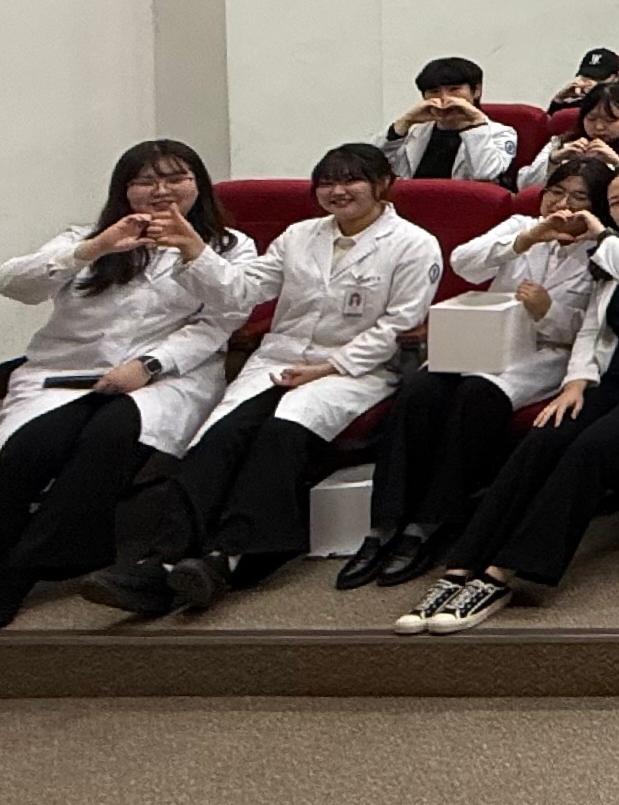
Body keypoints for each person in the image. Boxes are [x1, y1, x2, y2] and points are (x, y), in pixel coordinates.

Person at [81, 144, 440, 618]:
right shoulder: (300, 235)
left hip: (354, 371)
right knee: (218, 439)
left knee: (278, 437)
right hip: (279, 359)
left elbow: (397, 326)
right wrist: (194, 249)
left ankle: (227, 557)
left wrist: (327, 368)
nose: (337, 191)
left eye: (351, 180)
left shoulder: (414, 244)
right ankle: (160, 559)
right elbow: (242, 290)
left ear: (383, 185)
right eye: (327, 183)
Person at [395, 164, 619, 634]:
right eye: (615, 203)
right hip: (614, 376)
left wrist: (603, 234)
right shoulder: (611, 253)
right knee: (544, 437)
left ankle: (503, 572)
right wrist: (575, 382)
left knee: (590, 448)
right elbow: (593, 329)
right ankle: (462, 564)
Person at [0, 141, 253, 625]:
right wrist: (94, 248)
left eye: (175, 178)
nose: (161, 191)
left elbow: (227, 314)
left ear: (198, 184)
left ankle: (22, 569)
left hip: (164, 377)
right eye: (145, 181)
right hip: (64, 373)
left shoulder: (228, 246)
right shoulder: (86, 237)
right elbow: (15, 283)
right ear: (124, 189)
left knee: (107, 438)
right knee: (26, 451)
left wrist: (151, 363)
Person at [344, 158, 614, 590]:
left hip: (543, 354)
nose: (563, 205)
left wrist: (547, 310)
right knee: (419, 390)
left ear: (597, 206)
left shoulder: (604, 250)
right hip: (482, 339)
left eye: (579, 198)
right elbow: (464, 263)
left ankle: (432, 522)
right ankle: (385, 523)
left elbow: (591, 330)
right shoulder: (521, 226)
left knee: (477, 394)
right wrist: (527, 239)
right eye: (556, 193)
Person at [382, 55, 519, 183]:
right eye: (434, 91)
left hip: (463, 200)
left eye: (454, 90)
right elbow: (376, 169)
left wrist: (475, 120)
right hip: (414, 198)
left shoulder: (501, 133)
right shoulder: (416, 131)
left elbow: (484, 174)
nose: (444, 98)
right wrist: (405, 122)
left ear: (476, 91)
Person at [519, 80, 619, 190]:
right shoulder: (560, 143)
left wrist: (617, 163)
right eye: (591, 119)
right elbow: (524, 187)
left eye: (610, 120)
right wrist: (554, 160)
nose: (599, 127)